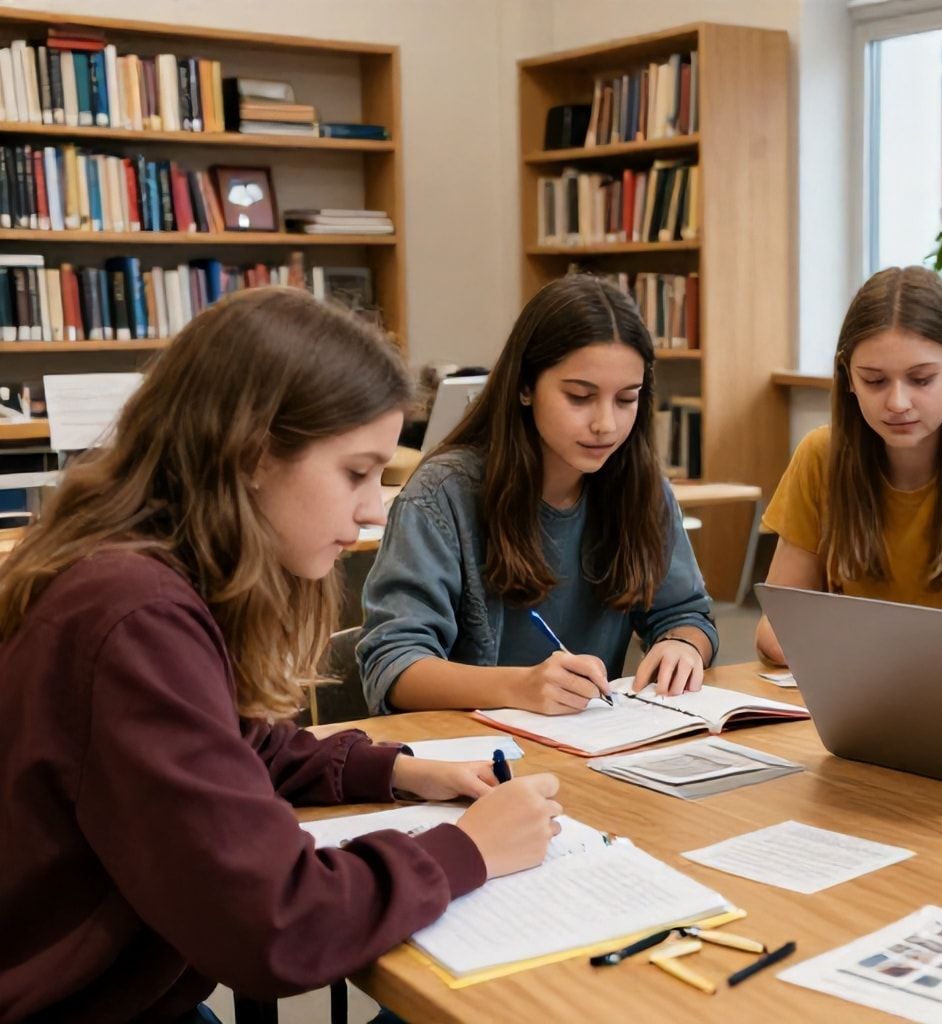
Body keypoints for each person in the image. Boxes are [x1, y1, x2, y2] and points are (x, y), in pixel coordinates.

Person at [0, 288, 561, 1023]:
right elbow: (274, 924)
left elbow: (218, 749)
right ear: (255, 454)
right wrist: (466, 853)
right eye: (356, 472)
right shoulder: (134, 614)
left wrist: (394, 768)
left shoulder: (134, 571)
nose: (370, 508)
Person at [360, 275, 718, 714]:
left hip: (587, 750)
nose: (605, 423)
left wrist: (682, 645)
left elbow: (686, 614)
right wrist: (519, 687)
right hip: (472, 761)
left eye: (626, 399)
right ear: (526, 386)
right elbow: (393, 666)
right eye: (580, 397)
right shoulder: (441, 495)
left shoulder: (639, 486)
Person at [755, 265, 942, 665]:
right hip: (848, 697)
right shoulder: (820, 455)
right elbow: (775, 630)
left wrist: (850, 648)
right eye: (875, 381)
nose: (897, 403)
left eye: (921, 379)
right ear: (848, 377)